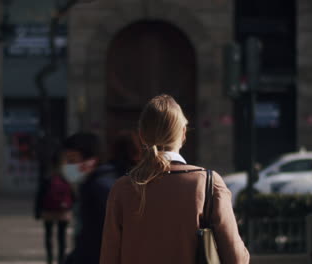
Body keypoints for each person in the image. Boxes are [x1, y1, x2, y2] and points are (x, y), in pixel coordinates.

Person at [100, 95, 250, 264]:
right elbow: (236, 258)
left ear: (141, 136)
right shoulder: (207, 183)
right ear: (183, 133)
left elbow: (109, 257)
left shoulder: (122, 188)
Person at [62, 132, 118, 264]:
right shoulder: (96, 183)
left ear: (92, 161)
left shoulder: (99, 187)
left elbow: (100, 237)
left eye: (72, 160)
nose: (68, 166)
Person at [34, 147, 74, 264]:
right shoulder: (67, 175)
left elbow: (40, 194)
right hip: (63, 210)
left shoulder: (48, 175)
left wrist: (37, 210)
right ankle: (61, 259)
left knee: (48, 235)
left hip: (48, 210)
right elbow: (73, 194)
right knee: (61, 237)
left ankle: (50, 259)